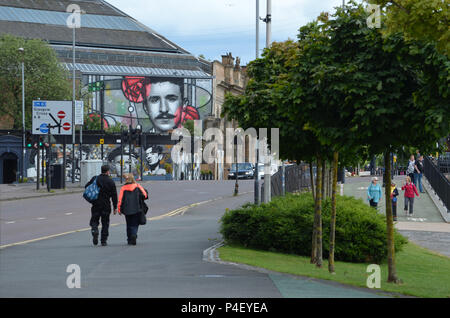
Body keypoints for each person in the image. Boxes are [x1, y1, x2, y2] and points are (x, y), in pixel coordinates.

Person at [85, 165, 118, 246]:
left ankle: (94, 230)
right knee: (105, 223)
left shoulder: (95, 178)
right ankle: (103, 240)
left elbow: (86, 186)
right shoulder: (110, 181)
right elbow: (114, 195)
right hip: (106, 204)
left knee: (94, 220)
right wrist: (115, 207)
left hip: (96, 203)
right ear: (108, 171)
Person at [117, 173, 148, 245]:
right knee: (135, 224)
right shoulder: (137, 186)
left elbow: (120, 200)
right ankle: (134, 234)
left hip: (127, 209)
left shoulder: (123, 188)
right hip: (137, 208)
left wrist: (119, 209)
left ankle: (129, 239)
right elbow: (145, 195)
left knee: (128, 224)